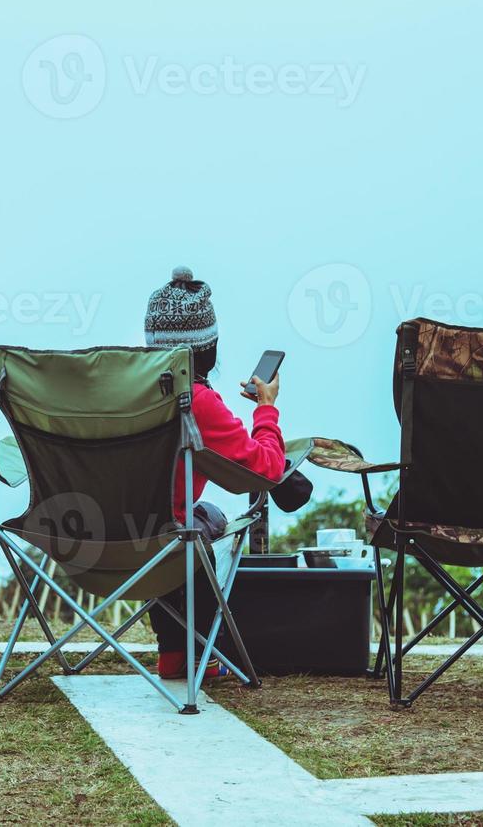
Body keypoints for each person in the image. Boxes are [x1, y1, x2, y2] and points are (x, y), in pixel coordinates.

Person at [142, 266, 286, 680]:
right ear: (209, 349)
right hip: (167, 540)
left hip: (96, 535)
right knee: (200, 522)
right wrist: (266, 408)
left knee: (184, 519)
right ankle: (194, 654)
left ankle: (173, 654)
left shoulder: (120, 392)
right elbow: (267, 468)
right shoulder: (197, 402)